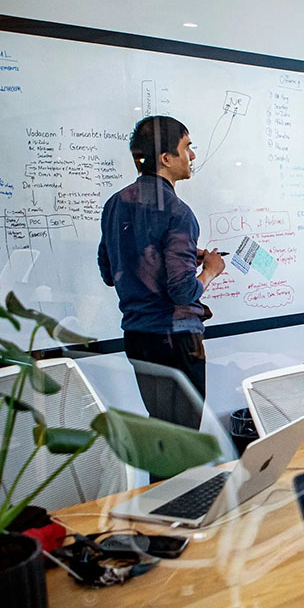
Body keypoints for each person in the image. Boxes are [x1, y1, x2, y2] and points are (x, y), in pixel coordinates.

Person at [98, 115, 225, 431]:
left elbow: (109, 272)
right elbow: (182, 292)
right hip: (176, 340)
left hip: (138, 339)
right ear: (166, 158)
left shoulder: (114, 205)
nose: (192, 155)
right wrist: (209, 271)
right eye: (187, 147)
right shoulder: (178, 213)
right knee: (184, 438)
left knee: (162, 434)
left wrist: (176, 257)